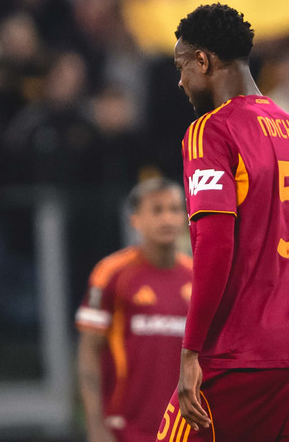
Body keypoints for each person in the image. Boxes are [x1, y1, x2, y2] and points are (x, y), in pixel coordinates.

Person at [157, 4, 289, 441]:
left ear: (203, 61)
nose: (180, 81)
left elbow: (215, 247)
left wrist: (190, 351)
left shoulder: (211, 132)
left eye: (182, 67)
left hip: (241, 356)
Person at [76, 178, 192, 442]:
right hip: (124, 430)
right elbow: (89, 352)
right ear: (135, 220)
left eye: (175, 209)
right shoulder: (111, 274)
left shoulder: (199, 276)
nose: (167, 219)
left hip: (184, 430)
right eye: (157, 210)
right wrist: (95, 426)